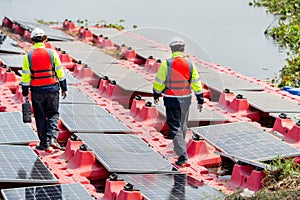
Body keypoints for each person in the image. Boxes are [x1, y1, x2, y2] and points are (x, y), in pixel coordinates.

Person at [153, 37, 204, 166]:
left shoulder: (166, 64)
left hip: (171, 100)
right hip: (186, 99)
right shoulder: (190, 64)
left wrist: (156, 95)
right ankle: (178, 148)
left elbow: (158, 82)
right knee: (182, 125)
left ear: (171, 50)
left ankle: (182, 156)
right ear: (183, 49)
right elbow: (197, 83)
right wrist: (200, 99)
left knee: (174, 127)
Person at [21, 28, 67, 151]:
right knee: (53, 113)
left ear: (32, 41)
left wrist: (25, 93)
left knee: (40, 116)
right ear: (45, 39)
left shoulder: (28, 56)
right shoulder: (52, 53)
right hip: (52, 88)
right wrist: (64, 87)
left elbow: (25, 77)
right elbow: (60, 72)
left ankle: (43, 143)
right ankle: (51, 137)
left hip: (36, 90)